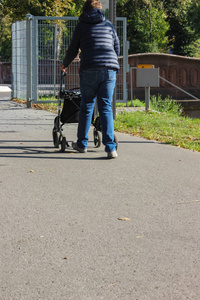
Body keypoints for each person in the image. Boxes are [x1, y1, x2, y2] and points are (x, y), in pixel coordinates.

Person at [61, 0, 120, 159]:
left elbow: (73, 48)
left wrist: (65, 64)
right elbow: (117, 47)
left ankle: (82, 144)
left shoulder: (82, 25)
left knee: (86, 105)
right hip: (109, 69)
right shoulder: (108, 25)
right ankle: (111, 149)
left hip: (89, 68)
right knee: (105, 106)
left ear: (85, 10)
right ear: (100, 10)